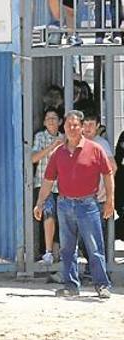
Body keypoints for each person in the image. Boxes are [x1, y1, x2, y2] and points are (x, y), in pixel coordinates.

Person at [34, 110, 114, 298]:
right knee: (67, 249)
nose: (72, 128)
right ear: (64, 127)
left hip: (88, 204)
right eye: (69, 125)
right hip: (64, 204)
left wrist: (110, 199)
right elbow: (48, 180)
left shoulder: (95, 149)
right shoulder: (58, 153)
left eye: (76, 125)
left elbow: (108, 174)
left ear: (82, 127)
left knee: (95, 248)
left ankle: (102, 285)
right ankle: (71, 286)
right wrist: (40, 202)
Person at [30, 107, 64, 264]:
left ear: (60, 121)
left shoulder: (65, 138)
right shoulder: (40, 137)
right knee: (48, 214)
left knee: (62, 219)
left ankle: (59, 253)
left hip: (63, 185)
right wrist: (52, 146)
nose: (51, 121)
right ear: (44, 122)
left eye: (54, 118)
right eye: (48, 118)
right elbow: (33, 158)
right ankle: (48, 252)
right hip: (44, 184)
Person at [82, 112, 118, 245]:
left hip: (98, 197)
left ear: (97, 126)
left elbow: (112, 167)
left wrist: (106, 192)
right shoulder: (76, 142)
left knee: (97, 238)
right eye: (84, 124)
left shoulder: (101, 144)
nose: (87, 128)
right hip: (80, 198)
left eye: (91, 124)